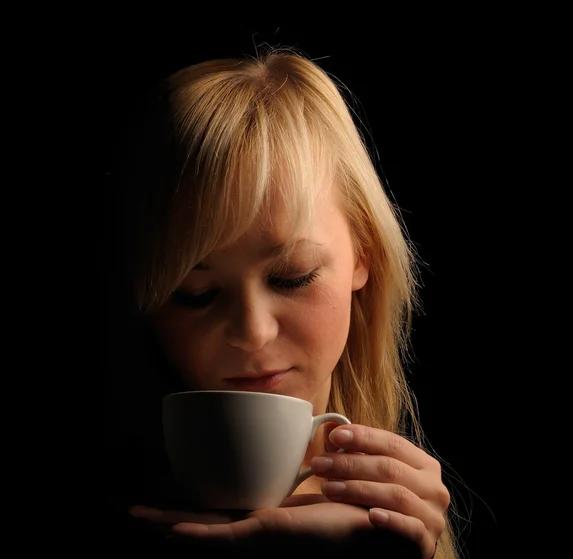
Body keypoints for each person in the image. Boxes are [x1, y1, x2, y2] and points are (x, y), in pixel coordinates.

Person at [103, 48, 461, 558]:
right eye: (195, 294)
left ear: (365, 254)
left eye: (292, 277)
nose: (253, 332)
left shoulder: (394, 520)